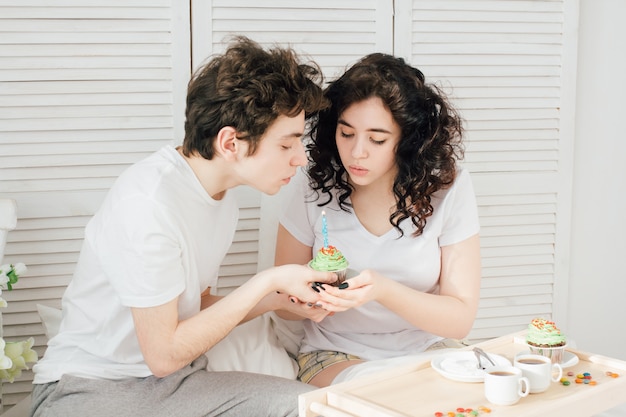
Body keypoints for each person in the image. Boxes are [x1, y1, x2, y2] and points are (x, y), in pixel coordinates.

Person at [30, 36, 336, 417]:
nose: (301, 159)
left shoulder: (220, 195)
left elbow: (195, 306)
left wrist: (281, 299)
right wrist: (266, 281)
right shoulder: (148, 205)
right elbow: (163, 354)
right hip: (88, 390)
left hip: (176, 384)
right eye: (287, 144)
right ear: (231, 143)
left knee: (309, 408)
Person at [275, 53, 482, 388]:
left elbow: (460, 320)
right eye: (346, 133)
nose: (357, 152)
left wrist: (382, 290)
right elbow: (283, 307)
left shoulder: (448, 187)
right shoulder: (311, 185)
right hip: (334, 355)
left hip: (427, 349)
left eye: (377, 139)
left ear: (408, 140)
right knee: (376, 397)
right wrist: (310, 298)